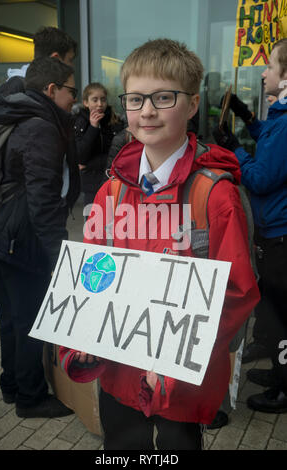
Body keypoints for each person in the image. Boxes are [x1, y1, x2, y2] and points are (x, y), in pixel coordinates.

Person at [59, 38, 259, 450]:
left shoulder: (214, 196)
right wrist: (76, 339)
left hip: (180, 383)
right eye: (135, 99)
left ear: (192, 104)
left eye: (163, 97)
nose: (147, 110)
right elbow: (91, 275)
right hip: (117, 369)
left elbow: (235, 292)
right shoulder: (110, 194)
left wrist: (177, 367)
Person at [0, 56, 80, 418]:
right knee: (29, 321)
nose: (74, 98)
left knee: (10, 318)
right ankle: (30, 397)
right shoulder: (41, 127)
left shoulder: (16, 113)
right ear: (52, 89)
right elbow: (43, 201)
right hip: (20, 240)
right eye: (71, 90)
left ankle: (11, 385)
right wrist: (60, 257)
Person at [213, 38, 287, 414]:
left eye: (271, 66)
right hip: (275, 233)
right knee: (274, 312)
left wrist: (233, 148)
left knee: (281, 316)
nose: (263, 72)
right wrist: (246, 118)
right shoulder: (281, 118)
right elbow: (271, 141)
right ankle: (279, 372)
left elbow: (259, 178)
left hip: (281, 238)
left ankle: (285, 387)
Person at [74, 82, 123, 218]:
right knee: (92, 225)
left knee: (114, 224)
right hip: (91, 184)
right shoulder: (80, 122)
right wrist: (93, 127)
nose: (100, 104)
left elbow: (117, 156)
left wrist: (89, 164)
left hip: (112, 180)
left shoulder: (114, 121)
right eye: (94, 100)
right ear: (86, 103)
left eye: (103, 99)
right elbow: (81, 156)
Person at [0, 26, 77, 99]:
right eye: (70, 60)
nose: (72, 66)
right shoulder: (18, 87)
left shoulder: (37, 86)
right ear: (55, 59)